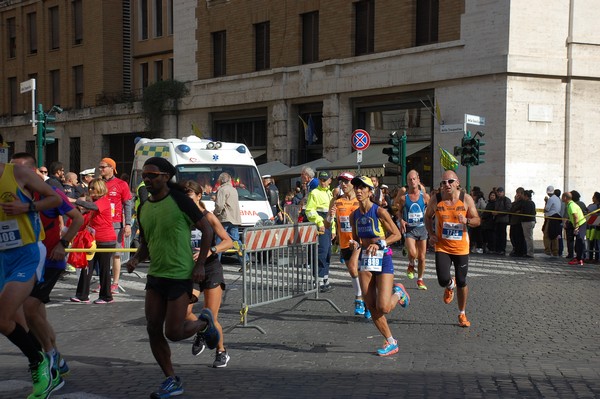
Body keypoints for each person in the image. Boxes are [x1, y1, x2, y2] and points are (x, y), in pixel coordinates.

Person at [123, 157, 220, 398]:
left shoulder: (180, 200)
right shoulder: (143, 207)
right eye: (144, 174)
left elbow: (207, 230)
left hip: (180, 274)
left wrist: (199, 265)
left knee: (174, 332)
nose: (147, 178)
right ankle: (171, 379)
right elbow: (146, 242)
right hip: (156, 275)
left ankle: (204, 323)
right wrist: (136, 258)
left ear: (166, 177)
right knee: (153, 328)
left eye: (152, 175)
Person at [10, 152, 84, 382]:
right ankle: (56, 358)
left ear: (32, 172)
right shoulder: (13, 193)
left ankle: (50, 358)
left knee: (31, 309)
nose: (13, 174)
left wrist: (63, 244)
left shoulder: (52, 193)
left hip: (51, 258)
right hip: (26, 259)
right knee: (33, 315)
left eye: (19, 169)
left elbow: (78, 218)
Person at [0, 161, 63, 399]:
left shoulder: (17, 173)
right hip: (1, 258)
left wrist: (27, 207)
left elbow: (55, 199)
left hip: (26, 253)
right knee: (11, 323)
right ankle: (45, 365)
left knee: (3, 317)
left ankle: (40, 363)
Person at [348, 176, 408, 356]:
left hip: (383, 258)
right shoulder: (354, 216)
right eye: (356, 188)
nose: (358, 191)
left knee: (384, 307)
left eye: (363, 188)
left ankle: (399, 293)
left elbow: (397, 235)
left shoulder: (380, 212)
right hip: (366, 259)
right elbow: (357, 240)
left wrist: (380, 244)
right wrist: (355, 246)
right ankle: (391, 342)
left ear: (370, 192)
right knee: (370, 305)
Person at [183, 180, 233, 368]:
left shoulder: (209, 217)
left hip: (211, 269)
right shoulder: (182, 218)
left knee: (210, 316)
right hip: (191, 270)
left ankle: (221, 351)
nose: (185, 199)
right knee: (185, 312)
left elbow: (229, 242)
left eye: (188, 195)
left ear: (198, 196)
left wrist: (211, 250)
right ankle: (202, 331)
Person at [424, 171, 481, 328]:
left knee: (462, 281)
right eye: (443, 183)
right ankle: (450, 285)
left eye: (450, 181)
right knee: (442, 279)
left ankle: (462, 313)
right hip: (442, 246)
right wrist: (431, 234)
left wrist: (467, 220)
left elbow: (477, 220)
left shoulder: (466, 199)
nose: (446, 185)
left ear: (457, 183)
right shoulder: (437, 199)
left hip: (461, 248)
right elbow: (427, 217)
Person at [328, 172, 369, 317]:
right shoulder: (336, 201)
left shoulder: (360, 201)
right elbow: (328, 224)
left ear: (353, 184)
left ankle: (360, 298)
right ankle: (366, 301)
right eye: (341, 182)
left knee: (356, 268)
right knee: (353, 272)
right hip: (345, 243)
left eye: (347, 182)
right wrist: (330, 216)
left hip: (359, 241)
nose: (343, 185)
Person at [70, 179, 117, 304]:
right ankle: (82, 295)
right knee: (87, 267)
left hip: (106, 241)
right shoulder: (95, 201)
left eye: (93, 188)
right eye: (89, 188)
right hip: (93, 240)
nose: (90, 190)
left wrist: (75, 200)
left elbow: (92, 206)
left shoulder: (104, 201)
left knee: (104, 269)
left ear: (100, 189)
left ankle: (107, 297)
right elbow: (86, 208)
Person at [98, 157, 133, 294]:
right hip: (100, 224)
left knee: (116, 255)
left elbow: (127, 204)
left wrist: (128, 224)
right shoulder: (98, 183)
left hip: (115, 224)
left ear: (111, 168)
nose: (100, 169)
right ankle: (103, 283)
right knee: (102, 256)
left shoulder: (121, 184)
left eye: (103, 167)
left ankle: (115, 283)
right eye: (100, 167)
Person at [396, 170, 430, 290]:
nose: (412, 181)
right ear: (407, 182)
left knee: (422, 257)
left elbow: (431, 212)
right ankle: (411, 264)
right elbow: (398, 211)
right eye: (410, 180)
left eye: (414, 179)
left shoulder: (425, 197)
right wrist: (401, 220)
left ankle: (420, 279)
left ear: (418, 179)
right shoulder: (404, 198)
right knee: (412, 253)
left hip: (422, 229)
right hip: (410, 229)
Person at [306, 170, 334, 292]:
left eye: (325, 180)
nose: (323, 182)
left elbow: (333, 214)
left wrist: (334, 230)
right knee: (321, 253)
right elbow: (309, 210)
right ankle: (318, 280)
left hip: (328, 226)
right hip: (320, 226)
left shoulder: (330, 193)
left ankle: (325, 279)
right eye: (321, 180)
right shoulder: (314, 192)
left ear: (330, 180)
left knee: (328, 253)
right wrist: (319, 222)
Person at [213, 172, 244, 267]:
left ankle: (216, 263)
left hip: (225, 218)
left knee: (220, 240)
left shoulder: (222, 190)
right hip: (234, 218)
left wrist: (215, 213)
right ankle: (245, 260)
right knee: (236, 240)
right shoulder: (234, 190)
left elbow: (220, 205)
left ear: (221, 180)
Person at [563, 191, 587, 266]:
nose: (562, 198)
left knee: (580, 241)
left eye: (562, 197)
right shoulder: (571, 204)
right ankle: (579, 258)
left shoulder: (571, 206)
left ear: (565, 198)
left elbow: (576, 217)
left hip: (580, 224)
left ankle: (580, 259)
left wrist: (576, 227)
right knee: (578, 241)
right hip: (579, 224)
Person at [543, 185, 562, 257]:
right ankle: (555, 251)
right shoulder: (557, 198)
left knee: (547, 234)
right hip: (557, 218)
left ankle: (547, 250)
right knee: (555, 235)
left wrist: (546, 202)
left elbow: (546, 209)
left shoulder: (550, 199)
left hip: (551, 218)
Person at [492, 187, 511, 255]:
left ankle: (502, 249)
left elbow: (508, 210)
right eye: (498, 192)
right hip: (497, 220)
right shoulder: (497, 200)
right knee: (497, 235)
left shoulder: (506, 200)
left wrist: (498, 213)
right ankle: (497, 249)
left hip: (503, 220)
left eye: (501, 192)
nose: (499, 193)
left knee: (502, 235)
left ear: (503, 192)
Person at [508, 187, 526, 257]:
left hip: (518, 222)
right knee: (512, 236)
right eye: (516, 193)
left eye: (518, 193)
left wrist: (515, 207)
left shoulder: (523, 202)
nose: (517, 195)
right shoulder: (515, 202)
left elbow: (516, 209)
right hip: (513, 221)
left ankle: (519, 251)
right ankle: (515, 249)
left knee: (519, 237)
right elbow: (511, 210)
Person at [521, 190, 537, 258]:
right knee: (528, 237)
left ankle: (530, 253)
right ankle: (529, 252)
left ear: (526, 196)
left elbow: (526, 213)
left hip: (527, 222)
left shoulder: (527, 203)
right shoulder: (532, 203)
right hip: (530, 221)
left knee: (528, 238)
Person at [586, 192, 600, 263]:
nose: (592, 198)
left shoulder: (594, 206)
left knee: (594, 243)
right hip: (592, 228)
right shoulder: (593, 206)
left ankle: (594, 258)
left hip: (594, 228)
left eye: (593, 197)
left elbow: (587, 212)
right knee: (593, 243)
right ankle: (593, 257)